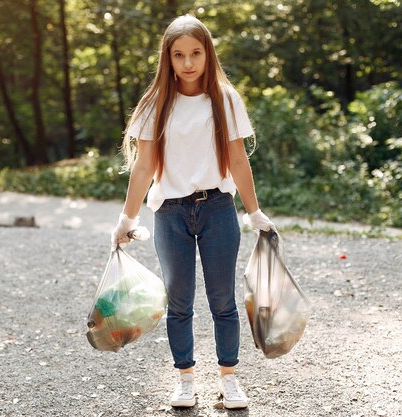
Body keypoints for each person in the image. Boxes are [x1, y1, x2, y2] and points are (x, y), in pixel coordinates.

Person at [111, 14, 275, 409]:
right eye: (179, 55)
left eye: (196, 53)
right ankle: (185, 380)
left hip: (218, 208)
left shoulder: (225, 98)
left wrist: (254, 212)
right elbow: (144, 166)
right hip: (169, 213)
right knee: (180, 302)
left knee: (223, 300)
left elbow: (238, 160)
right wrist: (127, 218)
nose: (187, 63)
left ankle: (229, 380)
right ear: (167, 58)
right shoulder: (155, 103)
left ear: (208, 54)